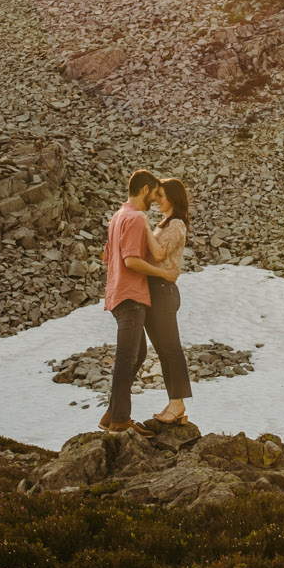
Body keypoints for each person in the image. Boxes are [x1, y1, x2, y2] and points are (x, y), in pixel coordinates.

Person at [99, 169, 161, 432]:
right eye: (155, 194)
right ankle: (120, 421)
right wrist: (163, 272)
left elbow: (106, 257)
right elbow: (131, 260)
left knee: (138, 353)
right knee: (127, 357)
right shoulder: (136, 218)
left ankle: (111, 414)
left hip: (116, 293)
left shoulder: (117, 216)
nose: (156, 201)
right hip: (131, 297)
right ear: (145, 189)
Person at [136, 178, 193, 430]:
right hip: (155, 290)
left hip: (163, 291)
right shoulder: (165, 223)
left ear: (173, 197)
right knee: (164, 350)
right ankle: (175, 404)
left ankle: (178, 404)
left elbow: (158, 254)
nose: (157, 199)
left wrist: (142, 226)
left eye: (161, 195)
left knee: (170, 349)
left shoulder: (176, 224)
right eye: (156, 195)